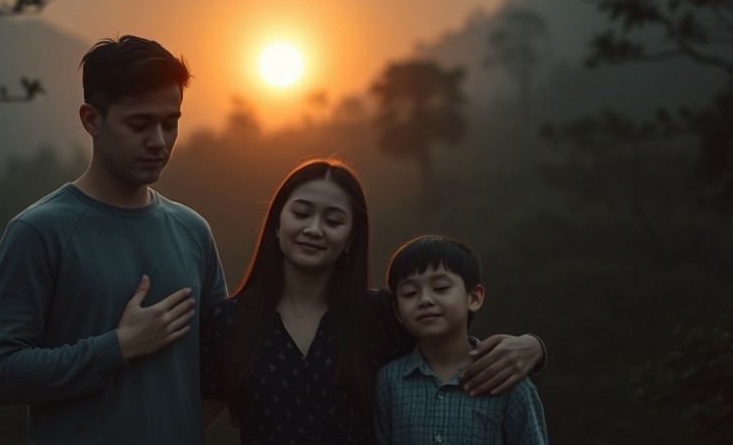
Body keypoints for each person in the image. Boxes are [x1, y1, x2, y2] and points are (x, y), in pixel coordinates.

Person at [0, 35, 228, 444]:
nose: (159, 142)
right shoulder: (39, 232)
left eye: (171, 123)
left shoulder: (192, 231)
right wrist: (118, 348)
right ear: (91, 120)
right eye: (139, 124)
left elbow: (223, 368)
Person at [200, 158, 545, 444]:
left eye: (333, 220)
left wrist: (535, 347)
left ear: (351, 237)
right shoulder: (229, 322)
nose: (314, 229)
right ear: (277, 224)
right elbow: (187, 421)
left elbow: (452, 343)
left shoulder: (382, 316)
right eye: (301, 214)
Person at [374, 235, 547, 444]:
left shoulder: (507, 377)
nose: (425, 300)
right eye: (410, 293)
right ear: (398, 312)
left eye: (440, 288)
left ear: (474, 297)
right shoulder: (390, 381)